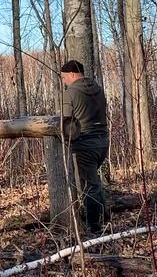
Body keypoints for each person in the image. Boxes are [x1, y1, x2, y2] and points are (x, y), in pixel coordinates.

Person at [60, 60, 109, 233]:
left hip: (85, 143)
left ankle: (94, 226)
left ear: (73, 75)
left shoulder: (71, 93)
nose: (64, 82)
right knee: (95, 182)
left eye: (64, 78)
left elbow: (65, 122)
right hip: (103, 142)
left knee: (90, 186)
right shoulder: (98, 88)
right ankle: (105, 217)